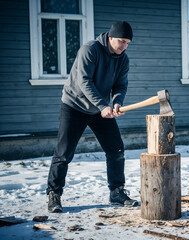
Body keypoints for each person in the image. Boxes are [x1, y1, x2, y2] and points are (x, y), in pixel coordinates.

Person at [46, 21, 137, 213]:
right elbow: (84, 82)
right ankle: (54, 194)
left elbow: (120, 85)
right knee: (63, 153)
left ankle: (117, 191)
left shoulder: (123, 59)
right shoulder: (90, 49)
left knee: (116, 149)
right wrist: (103, 105)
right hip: (74, 105)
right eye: (121, 41)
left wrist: (117, 102)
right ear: (110, 38)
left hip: (99, 110)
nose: (124, 46)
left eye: (127, 43)